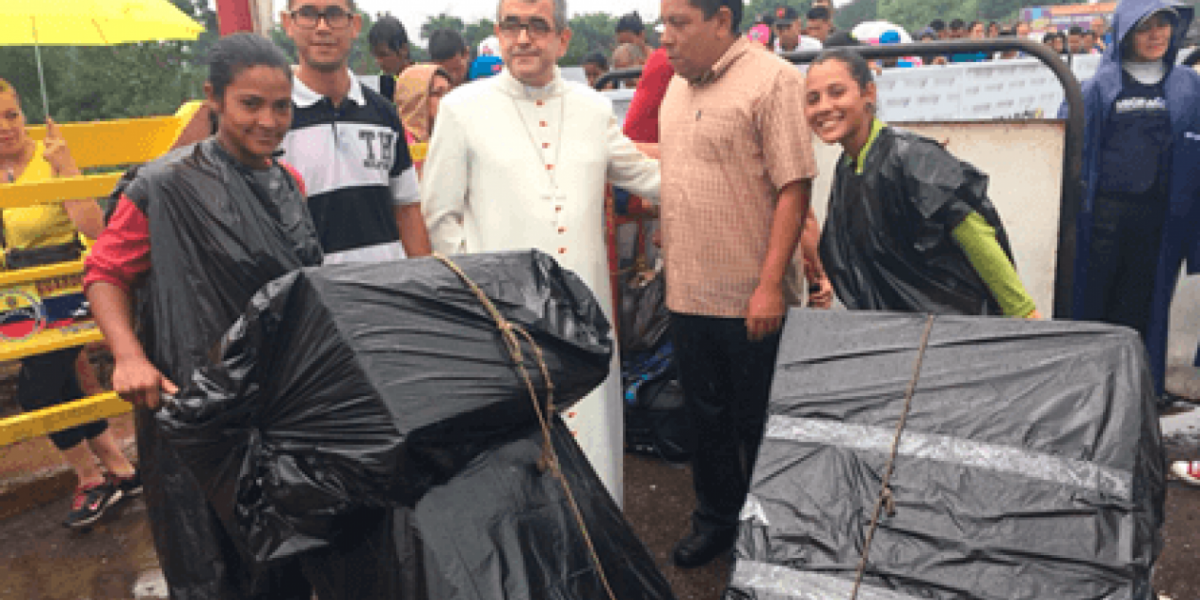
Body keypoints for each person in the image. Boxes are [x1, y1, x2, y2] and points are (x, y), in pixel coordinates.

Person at [86, 33, 409, 600]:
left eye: (280, 106)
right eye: (250, 104)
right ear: (215, 98)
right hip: (194, 399)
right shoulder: (164, 185)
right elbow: (106, 272)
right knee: (207, 551)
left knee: (287, 547)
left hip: (276, 402)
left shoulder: (290, 184)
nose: (269, 120)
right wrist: (128, 356)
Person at [421, 0, 661, 505]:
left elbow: (644, 174)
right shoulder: (463, 109)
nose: (524, 38)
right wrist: (484, 293)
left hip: (585, 315)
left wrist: (729, 179)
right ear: (497, 33)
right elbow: (441, 216)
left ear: (562, 39)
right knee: (520, 459)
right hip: (506, 320)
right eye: (513, 25)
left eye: (537, 26)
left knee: (593, 444)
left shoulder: (592, 107)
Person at [658, 0, 821, 569]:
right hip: (687, 290)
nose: (667, 37)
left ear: (721, 20)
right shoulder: (676, 89)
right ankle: (716, 522)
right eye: (664, 23)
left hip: (752, 297)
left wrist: (770, 284)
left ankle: (771, 535)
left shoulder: (772, 80)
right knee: (705, 417)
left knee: (759, 421)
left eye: (679, 23)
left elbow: (793, 187)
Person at [804, 48, 1041, 319]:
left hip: (953, 327)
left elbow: (975, 236)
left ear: (868, 93)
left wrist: (1024, 314)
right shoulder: (848, 168)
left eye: (837, 92)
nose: (824, 107)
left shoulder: (913, 157)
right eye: (813, 99)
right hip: (898, 331)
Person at [0, 80, 140, 530]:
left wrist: (67, 169)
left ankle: (90, 479)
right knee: (62, 387)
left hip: (66, 289)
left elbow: (95, 227)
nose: (5, 128)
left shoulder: (50, 156)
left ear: (24, 115)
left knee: (35, 392)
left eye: (11, 115)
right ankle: (118, 468)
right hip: (24, 298)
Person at [1067, 0, 1200, 400]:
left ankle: (1140, 394)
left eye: (1163, 26)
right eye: (1146, 27)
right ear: (1124, 34)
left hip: (1161, 223)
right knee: (1094, 303)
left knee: (1147, 306)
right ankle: (1089, 392)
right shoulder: (1097, 87)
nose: (1156, 35)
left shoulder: (1187, 85)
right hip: (1104, 220)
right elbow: (1072, 153)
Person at [280, 0, 431, 265]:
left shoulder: (384, 114)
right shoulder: (272, 121)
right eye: (308, 14)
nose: (323, 27)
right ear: (288, 24)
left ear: (355, 25)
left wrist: (427, 283)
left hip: (388, 290)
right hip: (313, 296)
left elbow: (407, 209)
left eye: (335, 14)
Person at [393, 64, 452, 174]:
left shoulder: (453, 136)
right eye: (438, 93)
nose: (447, 100)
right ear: (415, 99)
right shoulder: (395, 141)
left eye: (449, 93)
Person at [367, 15, 411, 101]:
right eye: (375, 55)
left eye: (383, 54)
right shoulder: (384, 82)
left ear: (404, 49)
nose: (378, 61)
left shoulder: (422, 80)